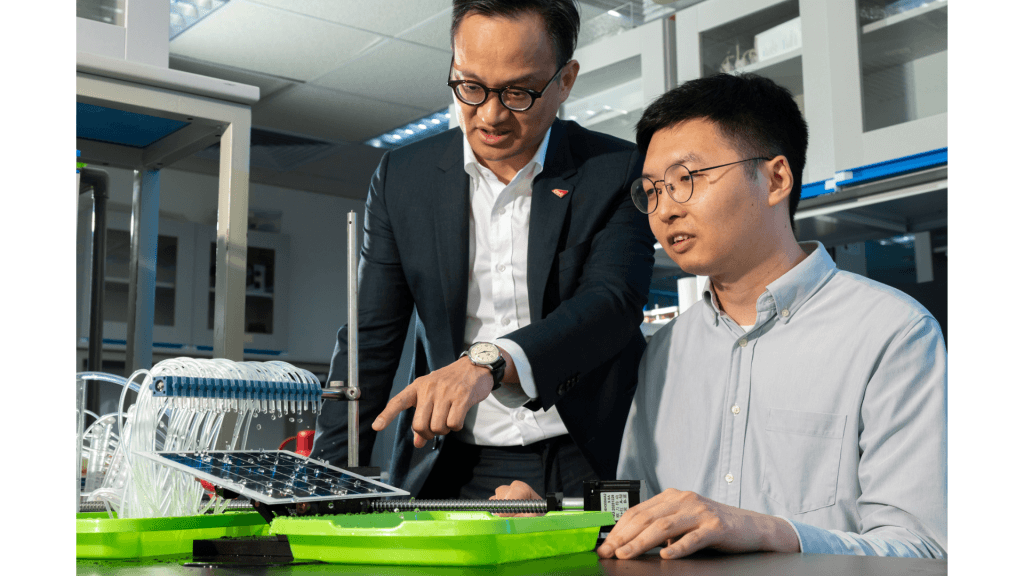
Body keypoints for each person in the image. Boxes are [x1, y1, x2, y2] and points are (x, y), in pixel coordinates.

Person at [493, 73, 947, 559]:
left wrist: (766, 531)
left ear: (775, 179)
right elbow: (641, 520)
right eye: (653, 190)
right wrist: (555, 522)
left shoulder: (892, 334)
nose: (664, 210)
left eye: (686, 179)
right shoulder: (665, 351)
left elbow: (925, 550)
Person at [311, 0, 655, 500]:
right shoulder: (403, 178)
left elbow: (610, 303)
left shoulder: (616, 169)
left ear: (565, 81)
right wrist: (324, 481)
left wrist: (486, 364)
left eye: (519, 92)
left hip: (590, 451)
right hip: (454, 461)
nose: (491, 115)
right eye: (470, 87)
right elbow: (370, 339)